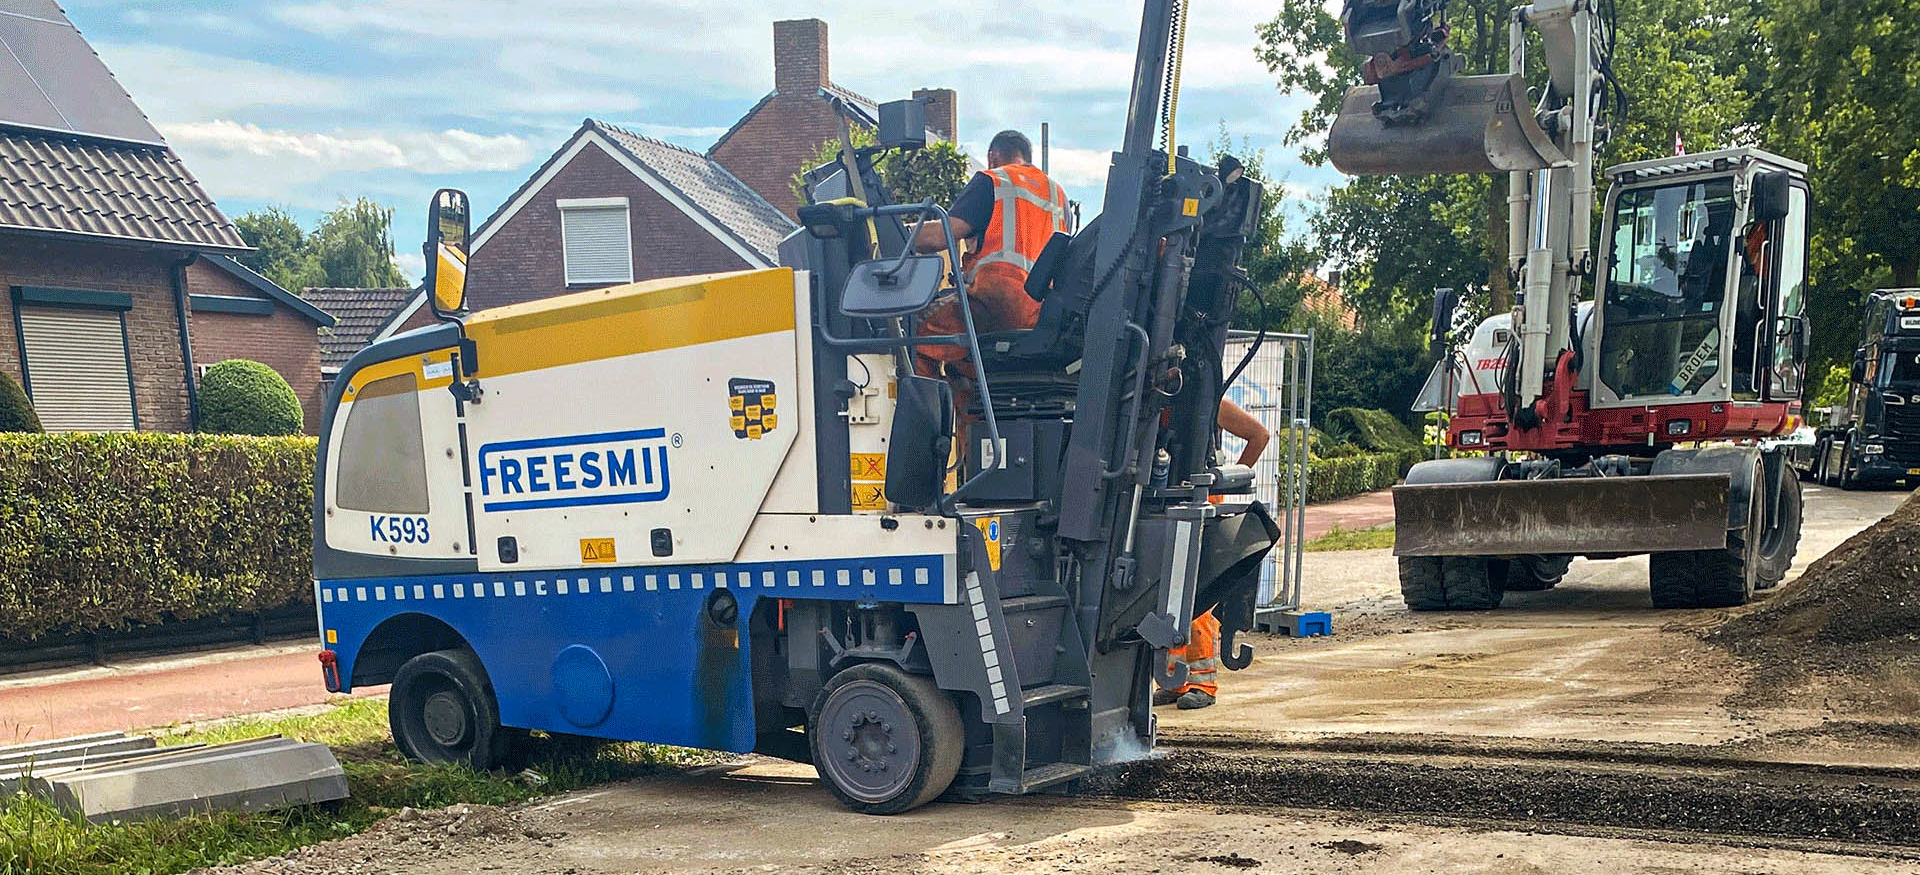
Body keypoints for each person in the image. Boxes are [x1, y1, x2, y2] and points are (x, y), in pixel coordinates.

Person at [910, 130, 1070, 378]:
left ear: (992, 157)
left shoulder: (994, 180)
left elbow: (940, 236)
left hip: (993, 303)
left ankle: (921, 404)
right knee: (958, 362)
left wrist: (898, 232)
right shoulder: (1059, 196)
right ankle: (968, 400)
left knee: (912, 332)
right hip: (1039, 316)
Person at [1155, 398, 1272, 710]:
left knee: (1195, 597)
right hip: (1166, 499)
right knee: (1167, 594)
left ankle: (1202, 682)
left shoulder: (1211, 401)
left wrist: (1225, 483)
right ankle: (1174, 679)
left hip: (1199, 499)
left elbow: (1259, 435)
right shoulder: (1156, 400)